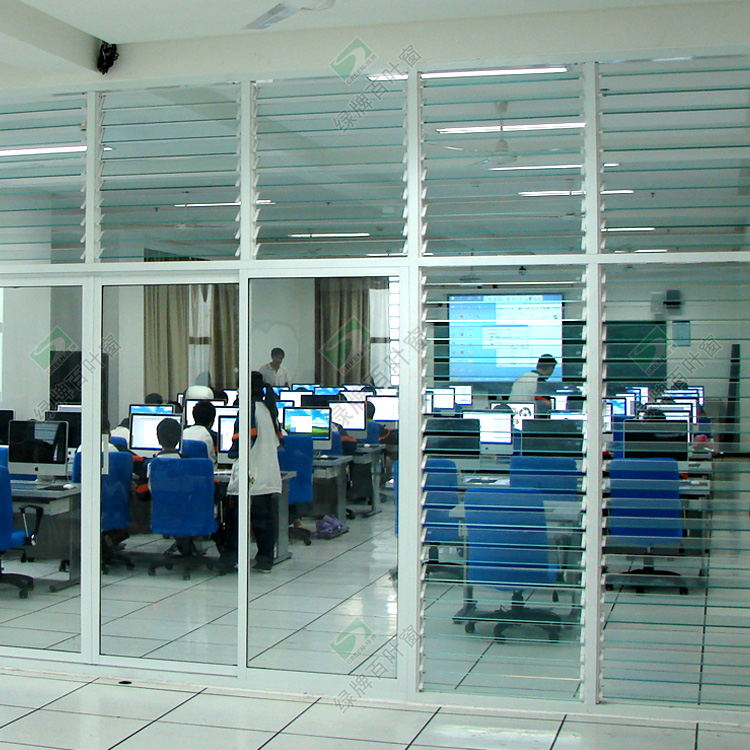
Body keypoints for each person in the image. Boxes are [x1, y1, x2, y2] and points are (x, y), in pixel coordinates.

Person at [225, 371, 282, 573]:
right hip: (267, 472)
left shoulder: (247, 410)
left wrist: (229, 452)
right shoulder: (268, 409)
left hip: (251, 474)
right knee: (263, 521)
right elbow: (278, 441)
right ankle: (265, 560)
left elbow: (239, 445)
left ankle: (230, 559)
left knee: (235, 519)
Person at [183, 398, 218, 468]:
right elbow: (213, 462)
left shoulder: (184, 433)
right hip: (205, 471)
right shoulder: (212, 436)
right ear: (212, 420)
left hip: (185, 471)